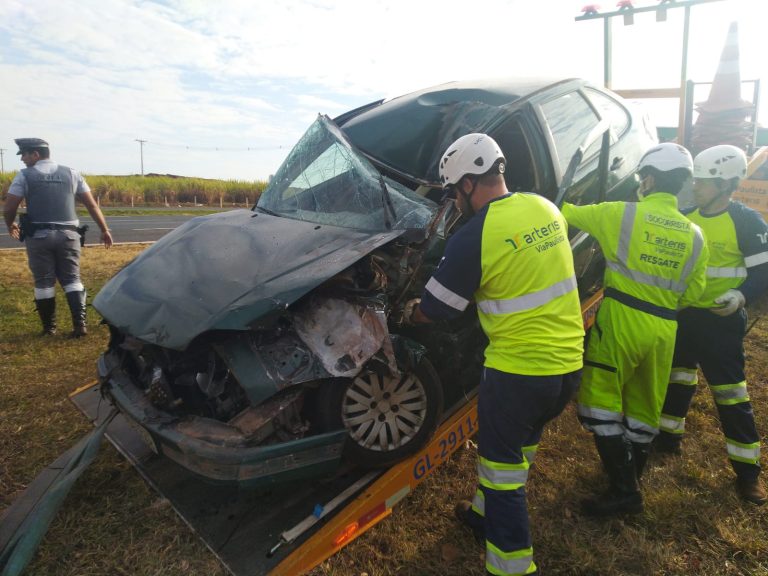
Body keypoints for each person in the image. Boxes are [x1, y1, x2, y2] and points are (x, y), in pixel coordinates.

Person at [402, 133, 584, 576]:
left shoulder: (474, 236)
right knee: (514, 454)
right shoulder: (546, 209)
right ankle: (483, 516)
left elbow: (438, 309)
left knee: (504, 477)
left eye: (452, 191)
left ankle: (512, 567)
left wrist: (408, 312)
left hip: (518, 374)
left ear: (467, 184)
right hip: (567, 367)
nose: (453, 201)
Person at [561, 142, 709, 516]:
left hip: (623, 320)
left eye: (643, 176)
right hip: (664, 329)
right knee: (644, 406)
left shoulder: (621, 215)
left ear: (651, 178)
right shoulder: (695, 235)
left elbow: (565, 212)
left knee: (601, 401)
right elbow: (694, 291)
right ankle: (630, 475)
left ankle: (625, 492)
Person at [655, 144, 768, 505]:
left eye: (703, 182)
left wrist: (740, 296)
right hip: (686, 316)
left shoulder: (747, 222)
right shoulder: (686, 216)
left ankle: (748, 473)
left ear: (724, 185)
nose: (696, 187)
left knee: (731, 393)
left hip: (721, 323)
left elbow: (762, 271)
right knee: (678, 376)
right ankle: (669, 437)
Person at [3, 137, 113, 337]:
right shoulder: (72, 173)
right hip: (69, 235)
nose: (22, 160)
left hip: (39, 236)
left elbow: (10, 206)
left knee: (44, 281)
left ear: (36, 154)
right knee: (72, 278)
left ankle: (49, 328)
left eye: (24, 154)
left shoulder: (24, 176)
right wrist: (105, 229)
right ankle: (80, 326)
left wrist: (10, 224)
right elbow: (91, 205)